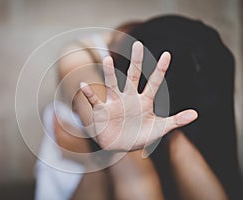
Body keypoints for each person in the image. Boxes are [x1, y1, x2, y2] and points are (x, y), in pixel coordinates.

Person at [35, 15, 242, 200]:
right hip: (86, 180)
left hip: (153, 158)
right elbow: (80, 79)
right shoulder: (83, 53)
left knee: (173, 143)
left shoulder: (189, 69)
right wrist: (106, 130)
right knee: (125, 155)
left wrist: (174, 137)